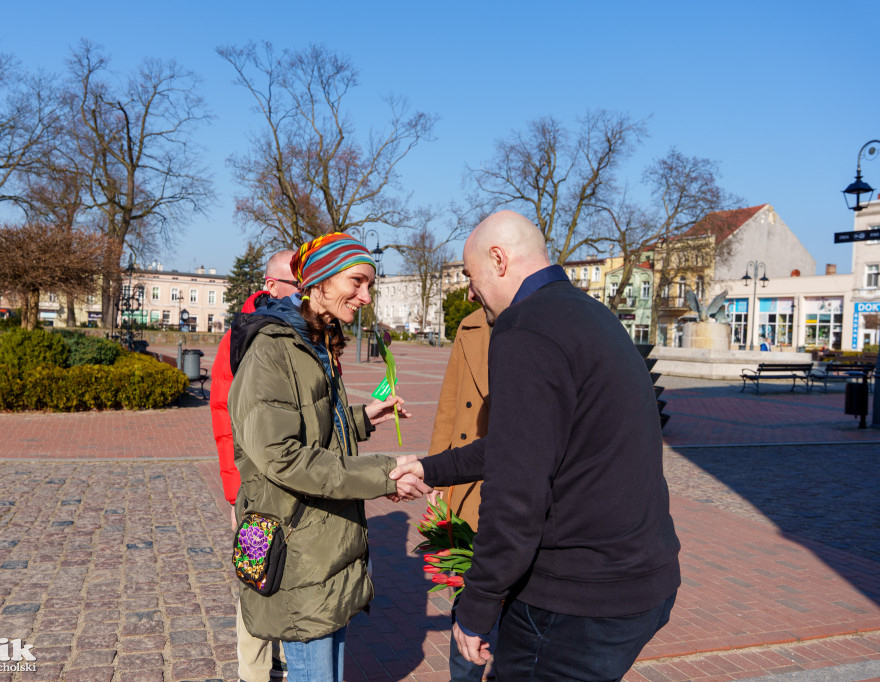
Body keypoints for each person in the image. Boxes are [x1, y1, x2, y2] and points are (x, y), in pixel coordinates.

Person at [391, 210, 681, 681]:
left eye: (470, 275)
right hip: (639, 583)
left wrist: (478, 604)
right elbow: (523, 443)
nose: (469, 291)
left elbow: (517, 490)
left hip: (576, 601)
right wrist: (431, 469)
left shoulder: (526, 328)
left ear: (499, 260)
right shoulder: (586, 313)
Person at [228, 232, 428, 682]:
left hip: (324, 543)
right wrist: (384, 474)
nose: (366, 296)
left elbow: (312, 427)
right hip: (300, 546)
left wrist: (362, 416)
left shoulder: (313, 340)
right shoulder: (273, 348)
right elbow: (282, 456)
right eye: (357, 282)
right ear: (318, 280)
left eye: (370, 285)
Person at [210, 250, 297, 681]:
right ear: (270, 286)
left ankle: (277, 655)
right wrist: (233, 493)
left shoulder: (297, 329)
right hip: (253, 486)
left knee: (287, 571)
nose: (304, 294)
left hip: (290, 480)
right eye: (296, 286)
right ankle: (254, 671)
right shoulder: (242, 335)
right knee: (256, 571)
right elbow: (224, 417)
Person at [425, 307, 493, 681]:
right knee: (467, 591)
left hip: (523, 487)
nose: (468, 291)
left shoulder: (542, 321)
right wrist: (438, 477)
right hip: (468, 486)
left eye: (472, 276)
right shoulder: (471, 324)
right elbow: (449, 406)